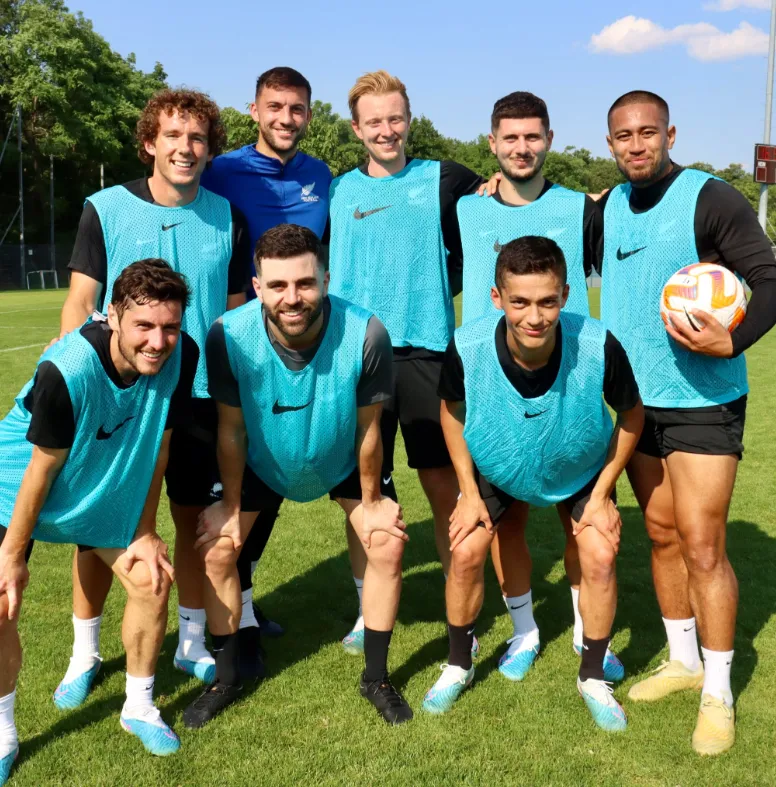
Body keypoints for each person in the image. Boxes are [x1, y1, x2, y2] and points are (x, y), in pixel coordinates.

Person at [56, 88, 258, 705]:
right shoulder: (106, 208)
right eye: (173, 136)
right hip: (119, 398)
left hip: (195, 395)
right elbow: (78, 304)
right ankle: (84, 651)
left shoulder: (229, 215)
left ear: (209, 149)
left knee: (195, 520)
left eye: (197, 138)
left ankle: (191, 640)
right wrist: (77, 387)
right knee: (99, 526)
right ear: (150, 142)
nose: (185, 148)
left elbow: (232, 316)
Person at [600, 90, 776, 755]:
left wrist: (733, 341)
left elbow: (769, 276)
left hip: (703, 401)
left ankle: (719, 690)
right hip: (634, 402)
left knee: (704, 544)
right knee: (663, 532)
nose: (637, 144)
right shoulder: (609, 207)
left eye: (648, 132)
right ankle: (683, 659)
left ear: (670, 133)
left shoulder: (711, 198)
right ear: (610, 141)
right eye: (624, 135)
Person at [183, 224, 411, 727]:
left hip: (342, 453)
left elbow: (371, 430)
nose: (293, 297)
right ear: (258, 285)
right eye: (279, 285)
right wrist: (230, 506)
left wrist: (371, 501)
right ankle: (226, 677)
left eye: (305, 283)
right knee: (220, 548)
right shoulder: (227, 334)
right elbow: (231, 428)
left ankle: (376, 676)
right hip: (264, 457)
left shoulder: (367, 331)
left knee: (387, 543)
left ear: (326, 280)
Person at [423, 236, 643, 732]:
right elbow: (451, 412)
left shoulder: (597, 342)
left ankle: (592, 674)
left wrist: (605, 488)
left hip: (580, 462)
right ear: (497, 297)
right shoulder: (468, 344)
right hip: (498, 462)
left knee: (601, 554)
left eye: (547, 301)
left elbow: (631, 415)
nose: (534, 316)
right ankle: (466, 660)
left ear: (565, 294)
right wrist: (469, 491)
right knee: (463, 551)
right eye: (519, 301)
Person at [0, 261, 197, 784]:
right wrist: (13, 556)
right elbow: (41, 469)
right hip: (18, 487)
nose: (159, 341)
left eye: (170, 327)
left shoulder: (184, 356)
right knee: (0, 604)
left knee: (152, 580)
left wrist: (146, 528)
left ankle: (138, 706)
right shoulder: (66, 370)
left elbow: (160, 446)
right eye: (144, 326)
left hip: (97, 477)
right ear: (113, 315)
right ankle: (2, 735)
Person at [456, 91, 622, 683]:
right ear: (493, 143)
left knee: (580, 526)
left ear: (549, 139)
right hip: (494, 389)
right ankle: (524, 631)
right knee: (508, 526)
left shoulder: (583, 209)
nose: (522, 148)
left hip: (566, 384)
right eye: (510, 137)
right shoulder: (465, 207)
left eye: (533, 136)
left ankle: (586, 630)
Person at [328, 70, 483, 654]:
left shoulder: (445, 179)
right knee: (365, 492)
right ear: (356, 129)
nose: (386, 130)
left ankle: (457, 595)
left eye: (395, 118)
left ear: (409, 120)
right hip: (356, 355)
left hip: (425, 351)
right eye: (374, 121)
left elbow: (501, 208)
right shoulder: (339, 190)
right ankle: (367, 607)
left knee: (444, 483)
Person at [201, 65, 333, 637]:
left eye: (297, 108)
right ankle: (209, 616)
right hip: (236, 343)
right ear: (253, 111)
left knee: (270, 477)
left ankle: (243, 605)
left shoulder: (322, 175)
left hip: (300, 341)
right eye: (274, 107)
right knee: (222, 484)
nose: (285, 118)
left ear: (308, 112)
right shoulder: (221, 170)